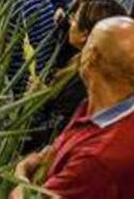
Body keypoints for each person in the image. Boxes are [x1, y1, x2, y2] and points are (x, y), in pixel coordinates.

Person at [12, 17, 134, 198]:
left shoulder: (97, 159)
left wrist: (20, 175)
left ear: (92, 56)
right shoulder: (101, 105)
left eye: (90, 38)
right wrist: (52, 155)